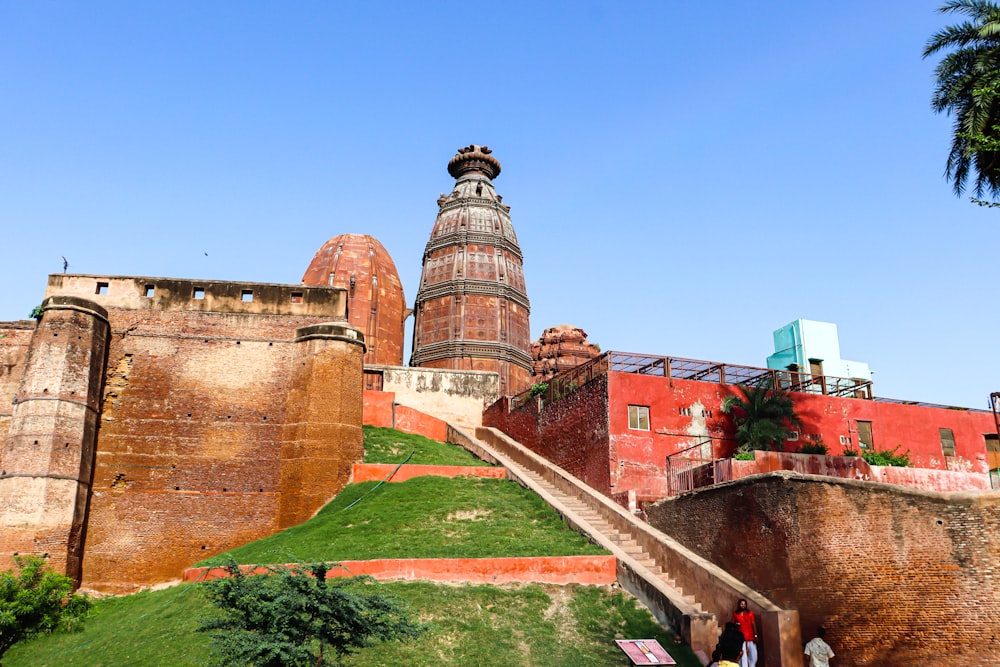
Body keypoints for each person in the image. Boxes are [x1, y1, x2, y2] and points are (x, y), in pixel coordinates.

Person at [731, 598, 758, 667]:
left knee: (754, 656)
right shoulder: (735, 614)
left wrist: (755, 635)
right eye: (741, 604)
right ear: (739, 605)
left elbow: (753, 624)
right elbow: (732, 625)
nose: (743, 605)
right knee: (743, 658)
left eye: (744, 604)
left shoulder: (750, 613)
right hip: (741, 639)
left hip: (750, 638)